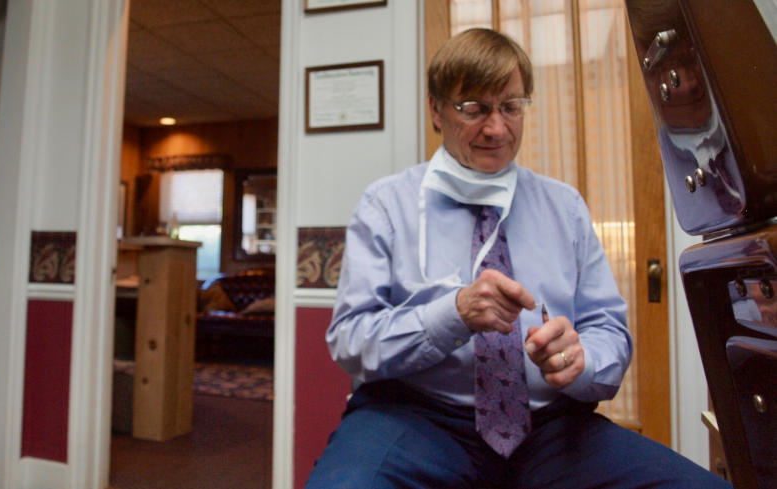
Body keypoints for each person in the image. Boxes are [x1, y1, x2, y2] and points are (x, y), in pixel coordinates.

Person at [305, 28, 732, 489]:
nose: (497, 128)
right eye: (474, 109)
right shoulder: (386, 206)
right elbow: (350, 341)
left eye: (510, 106)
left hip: (551, 428)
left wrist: (582, 361)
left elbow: (609, 330)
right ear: (436, 110)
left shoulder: (564, 207)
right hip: (415, 418)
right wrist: (453, 314)